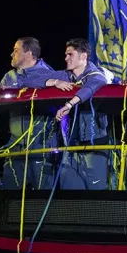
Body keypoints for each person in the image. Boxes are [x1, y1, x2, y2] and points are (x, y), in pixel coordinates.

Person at [15, 38, 113, 190]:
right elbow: (29, 80)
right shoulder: (67, 75)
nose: (65, 58)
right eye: (65, 55)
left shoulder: (96, 73)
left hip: (94, 145)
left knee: (96, 190)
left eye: (70, 55)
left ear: (83, 56)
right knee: (70, 189)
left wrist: (69, 104)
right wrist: (53, 82)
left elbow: (94, 84)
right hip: (70, 144)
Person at [0, 37, 59, 190]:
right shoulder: (9, 77)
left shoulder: (50, 75)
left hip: (41, 149)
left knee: (42, 196)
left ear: (28, 54)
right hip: (15, 149)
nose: (11, 54)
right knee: (10, 195)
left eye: (16, 50)